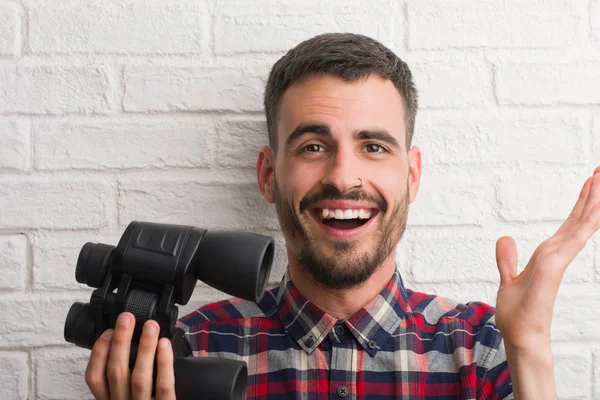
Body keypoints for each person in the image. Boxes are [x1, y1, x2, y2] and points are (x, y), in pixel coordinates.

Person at [84, 33, 600, 399]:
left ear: (412, 175)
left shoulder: (483, 349)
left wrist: (529, 347)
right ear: (268, 174)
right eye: (312, 146)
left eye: (374, 146)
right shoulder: (186, 351)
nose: (342, 176)